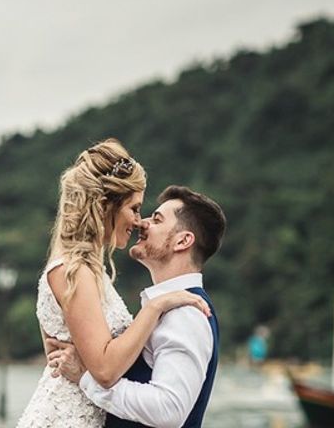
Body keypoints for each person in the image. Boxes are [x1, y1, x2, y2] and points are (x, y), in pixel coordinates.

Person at [16, 141, 211, 428]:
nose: (138, 220)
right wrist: (156, 306)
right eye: (134, 208)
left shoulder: (77, 267)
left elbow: (56, 350)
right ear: (106, 205)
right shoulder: (75, 270)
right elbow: (105, 369)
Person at [48, 186, 226, 428]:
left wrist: (86, 378)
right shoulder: (170, 307)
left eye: (156, 219)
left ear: (182, 241)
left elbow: (168, 410)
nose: (142, 223)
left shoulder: (186, 313)